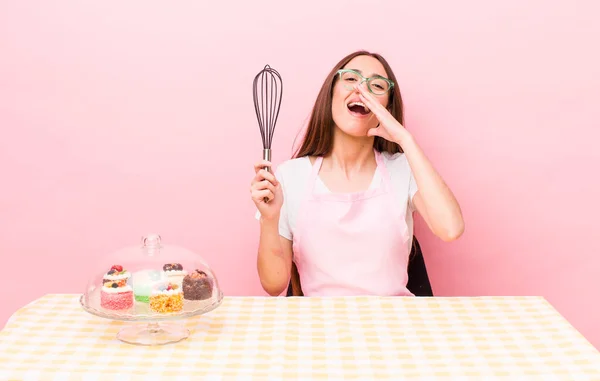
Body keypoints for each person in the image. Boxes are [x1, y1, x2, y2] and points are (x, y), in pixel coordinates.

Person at [250, 50, 464, 297]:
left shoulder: (403, 168)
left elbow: (451, 228)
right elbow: (274, 283)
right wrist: (269, 219)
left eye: (376, 86)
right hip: (320, 328)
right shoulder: (291, 176)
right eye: (351, 79)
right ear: (331, 94)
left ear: (386, 108)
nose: (362, 90)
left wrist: (405, 139)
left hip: (394, 327)